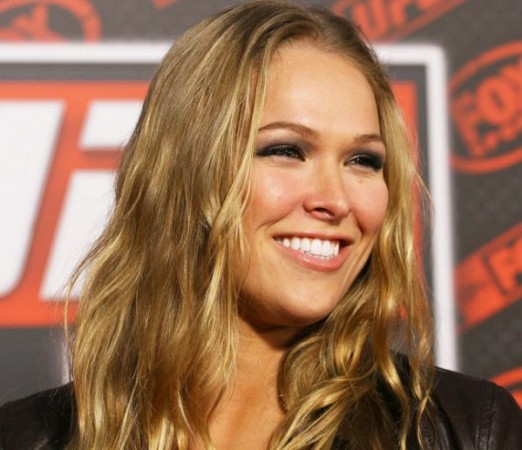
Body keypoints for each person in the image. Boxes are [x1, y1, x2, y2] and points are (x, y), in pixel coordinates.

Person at [0, 1, 520, 449]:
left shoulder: (468, 429)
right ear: (186, 171)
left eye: (363, 160)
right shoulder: (27, 436)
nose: (335, 200)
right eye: (286, 150)